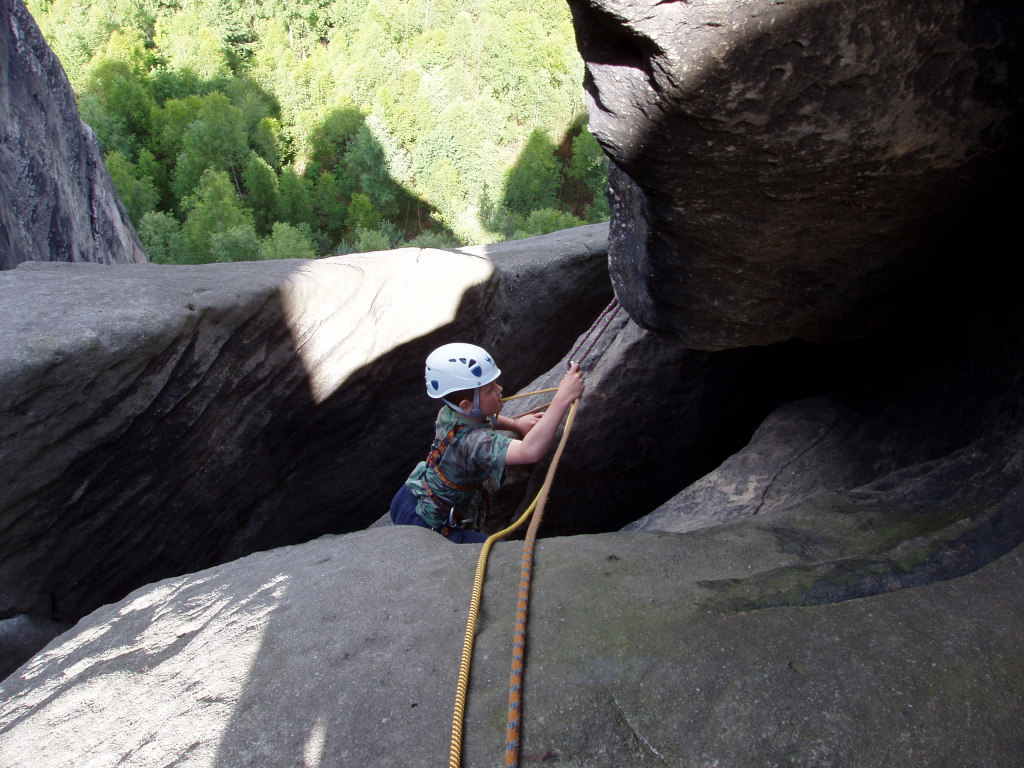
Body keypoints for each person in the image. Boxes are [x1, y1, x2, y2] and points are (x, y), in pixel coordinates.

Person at [390, 342, 585, 542]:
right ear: (466, 405)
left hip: (408, 495)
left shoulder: (449, 412)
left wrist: (516, 425)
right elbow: (529, 451)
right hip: (424, 522)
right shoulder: (473, 443)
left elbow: (482, 418)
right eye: (490, 389)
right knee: (501, 553)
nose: (500, 389)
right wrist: (562, 398)